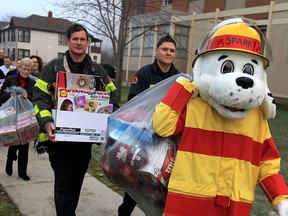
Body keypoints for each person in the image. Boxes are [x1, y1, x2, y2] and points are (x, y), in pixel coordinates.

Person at [32, 23, 119, 216]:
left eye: (83, 39)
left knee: (76, 182)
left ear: (87, 42)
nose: (79, 43)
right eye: (75, 39)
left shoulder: (98, 71)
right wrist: (47, 123)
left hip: (84, 140)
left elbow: (112, 99)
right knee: (63, 182)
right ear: (68, 41)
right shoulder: (53, 68)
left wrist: (105, 118)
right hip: (59, 139)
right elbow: (39, 98)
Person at [117, 34, 179, 216]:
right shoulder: (144, 74)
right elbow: (134, 102)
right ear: (156, 51)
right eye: (165, 49)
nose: (168, 53)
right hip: (146, 136)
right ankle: (124, 212)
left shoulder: (180, 78)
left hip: (169, 138)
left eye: (172, 50)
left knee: (161, 183)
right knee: (138, 179)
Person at [0, 58, 35, 181]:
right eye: (24, 68)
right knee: (13, 141)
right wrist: (10, 95)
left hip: (25, 116)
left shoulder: (32, 82)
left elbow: (34, 99)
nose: (26, 71)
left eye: (28, 69)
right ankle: (10, 159)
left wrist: (27, 96)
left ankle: (22, 172)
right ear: (19, 68)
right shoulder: (10, 80)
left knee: (25, 142)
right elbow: (1, 96)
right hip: (10, 115)